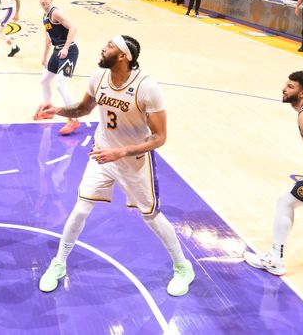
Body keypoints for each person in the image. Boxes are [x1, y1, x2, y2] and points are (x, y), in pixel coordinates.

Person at [35, 35, 195, 297]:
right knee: (80, 209)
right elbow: (84, 108)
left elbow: (160, 137)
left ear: (123, 56)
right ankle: (59, 263)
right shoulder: (98, 76)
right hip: (102, 154)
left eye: (109, 46)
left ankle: (183, 267)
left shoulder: (147, 88)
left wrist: (121, 151)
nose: (102, 47)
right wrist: (57, 110)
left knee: (150, 216)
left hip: (132, 161)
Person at [244, 71, 303, 276]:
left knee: (285, 201)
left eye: (290, 87)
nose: (284, 89)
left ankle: (275, 260)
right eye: (286, 85)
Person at [35, 0, 80, 136]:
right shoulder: (45, 16)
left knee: (60, 84)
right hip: (57, 51)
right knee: (44, 81)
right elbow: (48, 37)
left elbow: (73, 27)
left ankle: (73, 118)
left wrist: (66, 48)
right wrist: (45, 56)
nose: (43, 1)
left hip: (69, 50)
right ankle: (49, 109)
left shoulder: (56, 13)